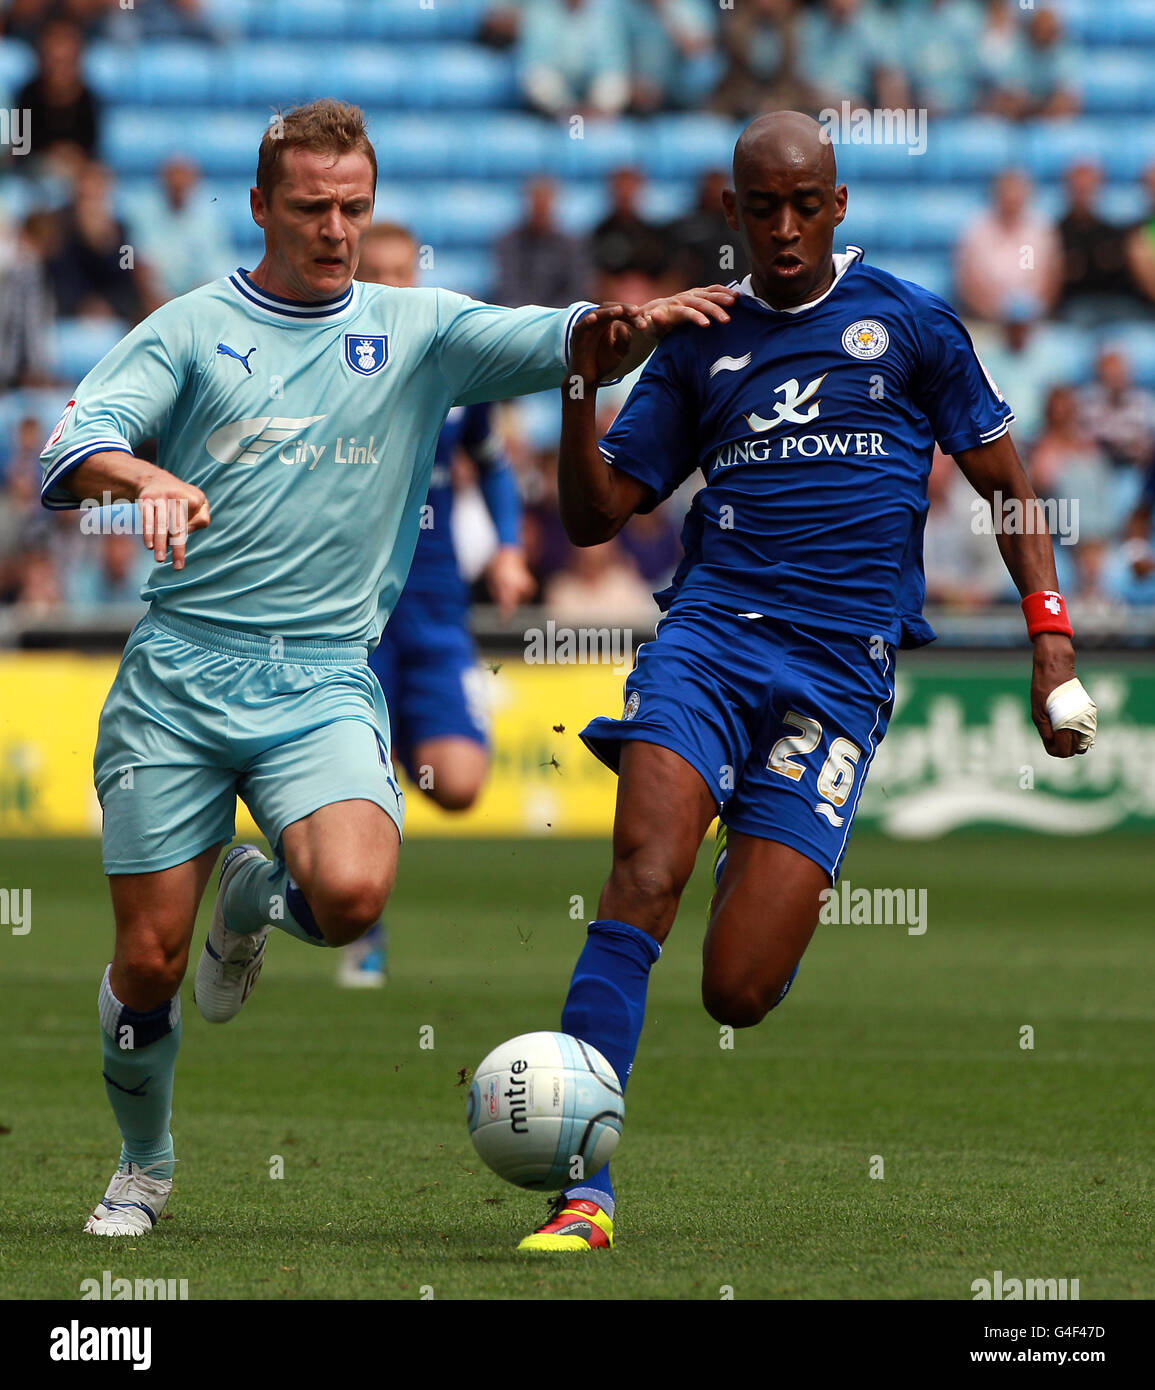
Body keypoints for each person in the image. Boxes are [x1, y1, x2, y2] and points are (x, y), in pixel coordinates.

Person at [38, 97, 722, 1238]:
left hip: (317, 675)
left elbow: (557, 336)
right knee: (148, 962)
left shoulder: (417, 329)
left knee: (352, 895)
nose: (337, 228)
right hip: (180, 676)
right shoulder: (192, 328)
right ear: (261, 207)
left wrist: (621, 331)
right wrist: (140, 477)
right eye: (312, 207)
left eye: (355, 206)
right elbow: (71, 442)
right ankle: (143, 1166)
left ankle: (255, 894)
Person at [517, 110, 1097, 1252]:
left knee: (734, 988)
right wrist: (578, 390)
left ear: (837, 207)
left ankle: (769, 861)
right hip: (711, 640)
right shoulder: (697, 342)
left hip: (838, 673)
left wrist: (1051, 641)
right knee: (641, 872)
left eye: (804, 205)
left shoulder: (911, 326)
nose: (783, 227)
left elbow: (1009, 487)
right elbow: (594, 521)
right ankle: (585, 1188)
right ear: (732, 213)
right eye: (761, 206)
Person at [337, 221, 537, 987]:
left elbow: (491, 463)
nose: (390, 283)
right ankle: (363, 927)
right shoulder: (331, 371)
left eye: (400, 270)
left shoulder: (453, 375)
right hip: (352, 621)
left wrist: (511, 548)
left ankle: (337, 863)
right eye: (375, 271)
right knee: (363, 777)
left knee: (455, 783)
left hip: (436, 611)